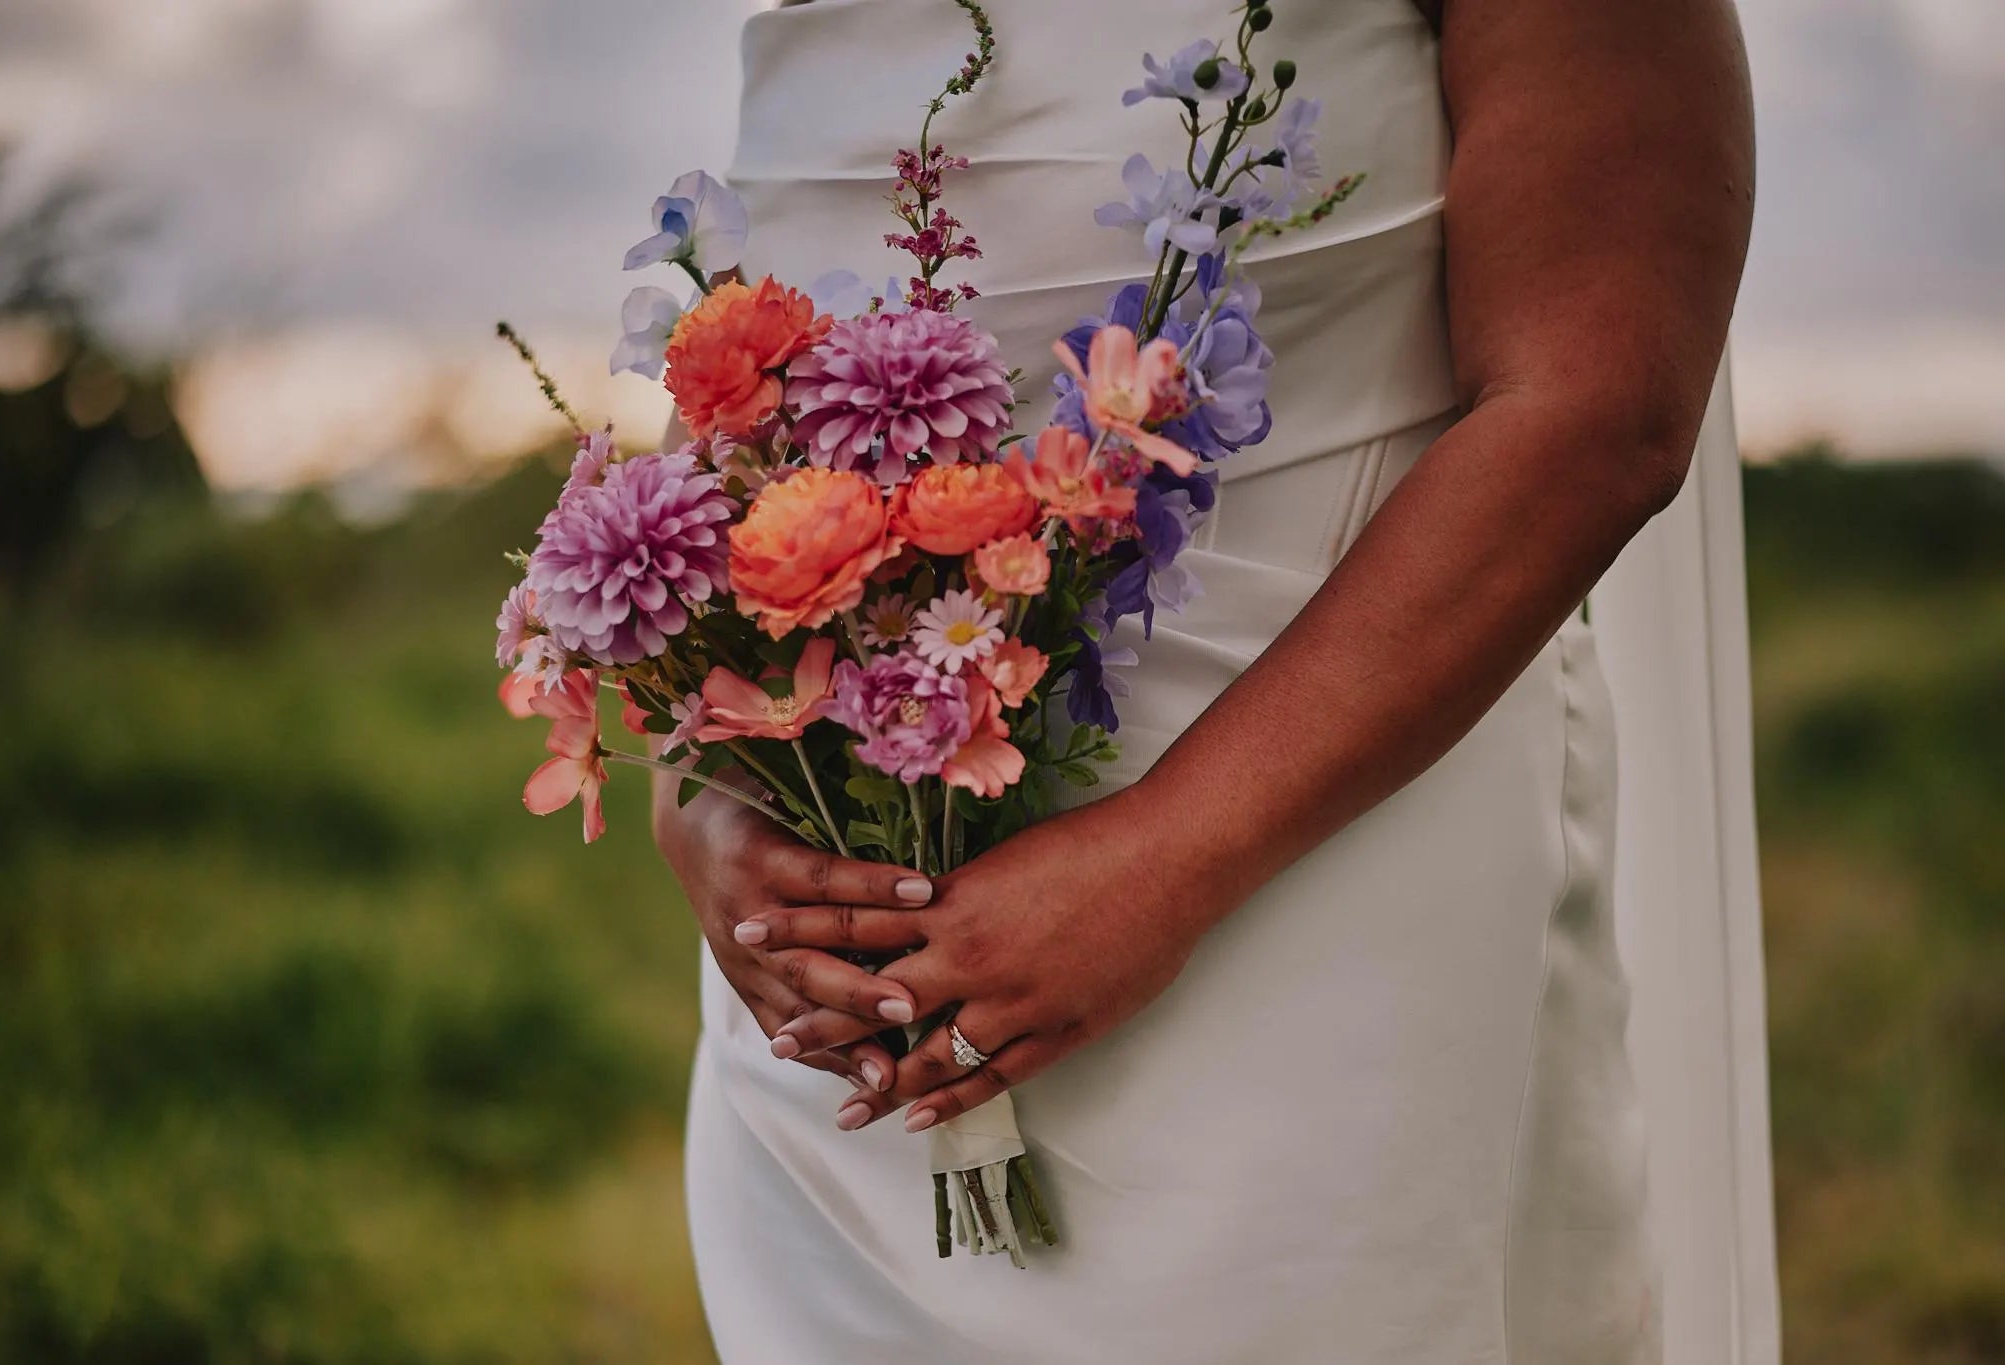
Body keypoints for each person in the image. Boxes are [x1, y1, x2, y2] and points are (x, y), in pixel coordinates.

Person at [654, 0, 1768, 1359]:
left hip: (1313, 951)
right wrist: (707, 780)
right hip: (846, 1075)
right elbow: (745, 375)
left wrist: (1161, 864)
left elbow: (1598, 406)